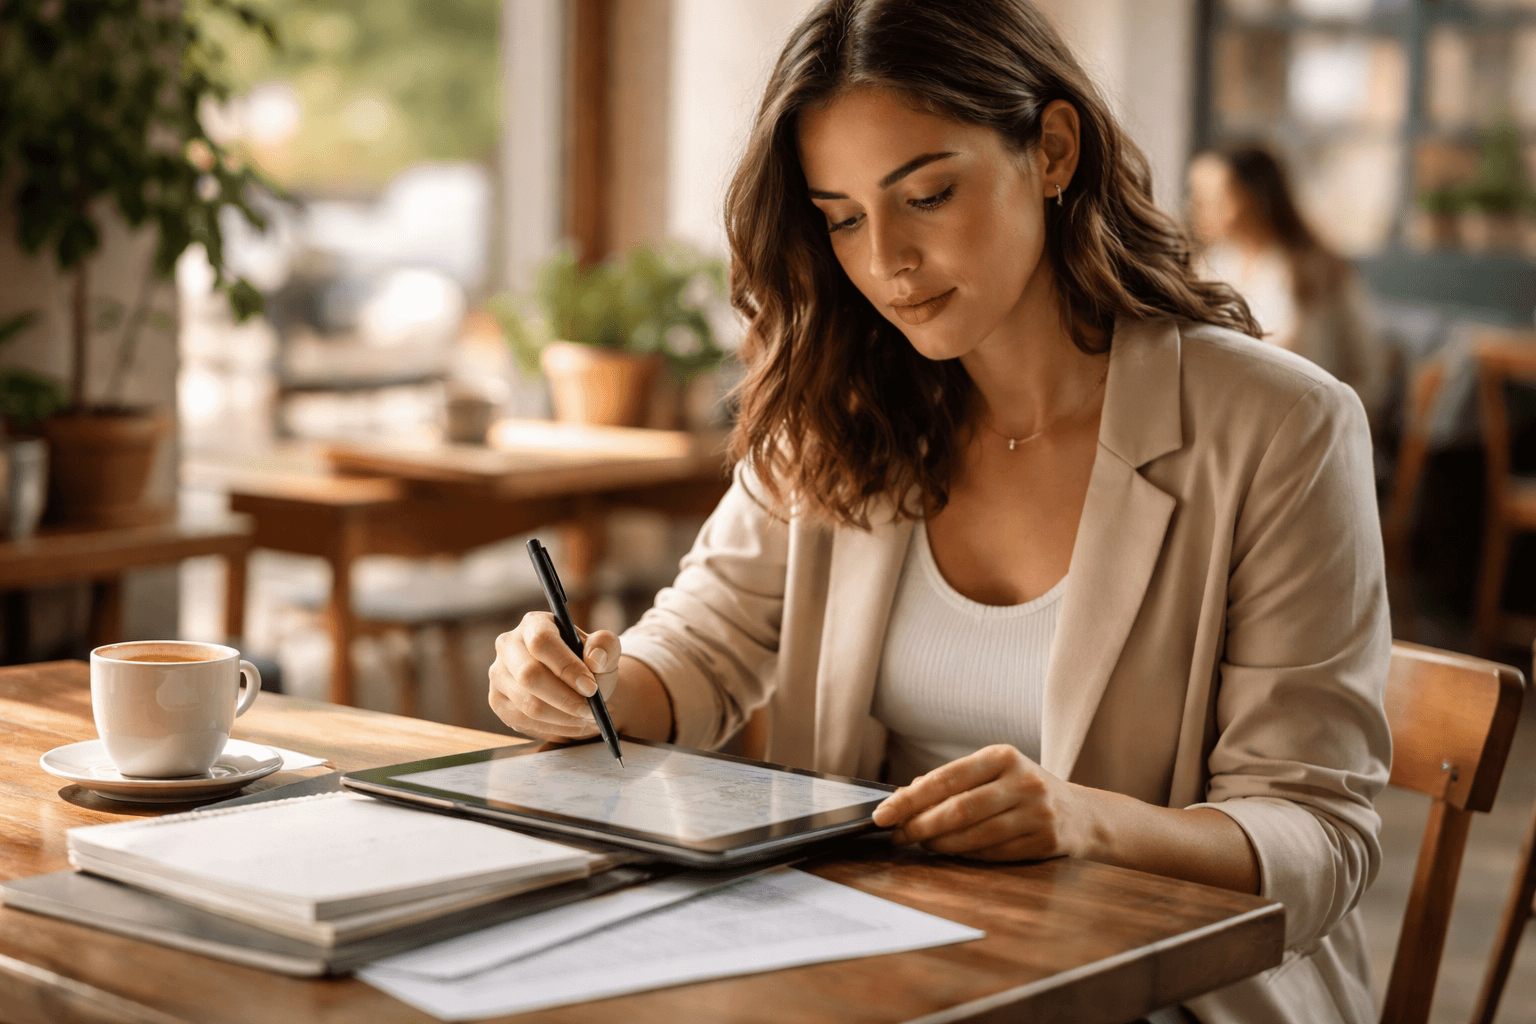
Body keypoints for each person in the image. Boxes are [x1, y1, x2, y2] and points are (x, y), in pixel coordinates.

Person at [489, 3, 1391, 1022]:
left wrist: (1085, 823)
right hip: (882, 973)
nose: (886, 262)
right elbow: (699, 651)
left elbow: (1320, 836)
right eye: (842, 217)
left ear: (1052, 151)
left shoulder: (1282, 427)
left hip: (1164, 995)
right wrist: (584, 683)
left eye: (927, 194)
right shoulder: (838, 404)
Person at [1187, 146, 1386, 418]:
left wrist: (1328, 421)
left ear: (1253, 198)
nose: (1195, 207)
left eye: (1211, 198)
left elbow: (1368, 375)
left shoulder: (1320, 271)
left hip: (1309, 426)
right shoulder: (1209, 269)